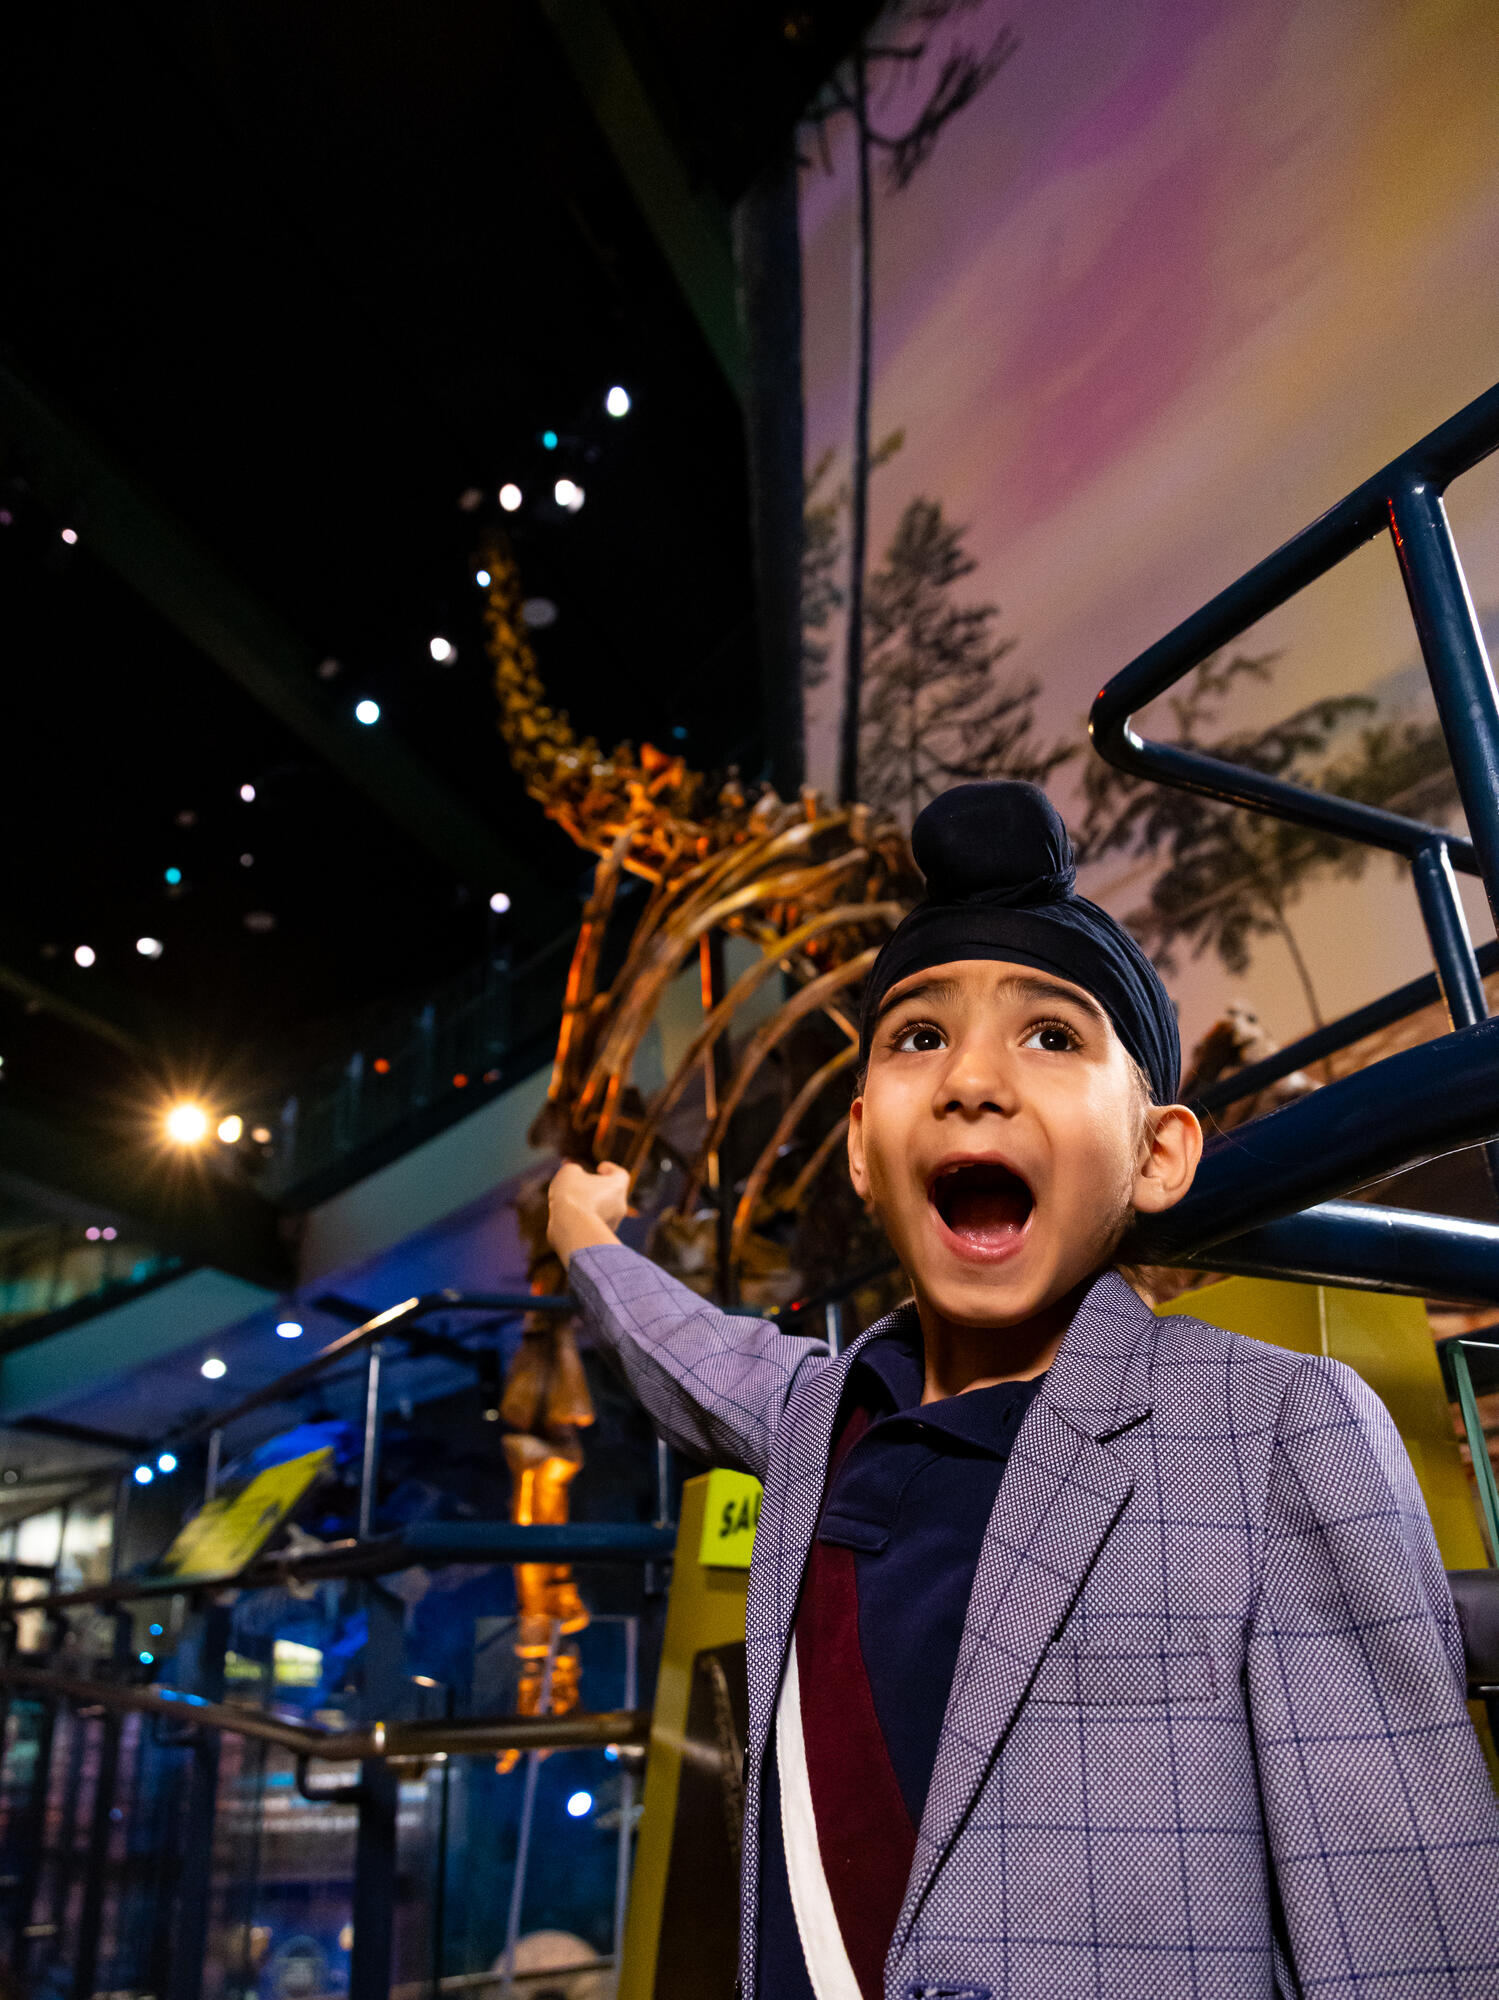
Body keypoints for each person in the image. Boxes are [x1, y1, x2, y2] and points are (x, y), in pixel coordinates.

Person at [547, 780, 1499, 2000]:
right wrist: (585, 1233)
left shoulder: (1273, 1431)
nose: (970, 1081)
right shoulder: (815, 1414)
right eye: (916, 1036)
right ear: (856, 1142)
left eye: (1052, 1035)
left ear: (1157, 1151)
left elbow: (1412, 1936)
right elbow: (678, 1347)